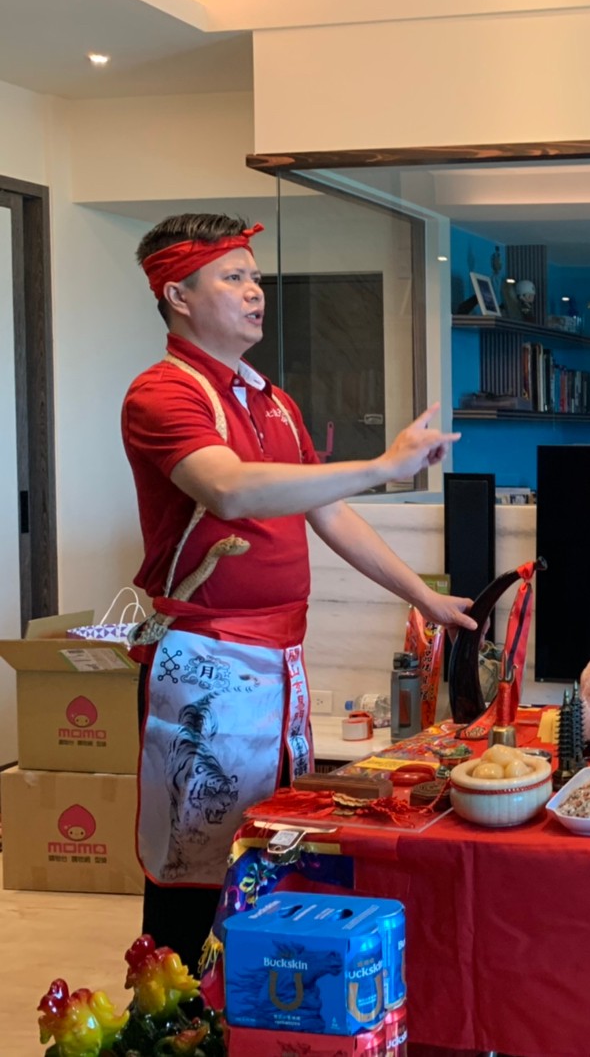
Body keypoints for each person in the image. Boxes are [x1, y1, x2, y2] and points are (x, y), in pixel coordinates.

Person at [120, 213, 477, 968]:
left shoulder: (273, 400)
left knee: (273, 841)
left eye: (256, 277)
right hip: (209, 660)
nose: (256, 292)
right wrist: (383, 465)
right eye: (234, 278)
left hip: (281, 661)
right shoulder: (162, 392)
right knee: (198, 857)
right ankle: (175, 1012)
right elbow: (230, 490)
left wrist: (423, 597)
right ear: (178, 295)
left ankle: (258, 1001)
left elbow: (329, 513)